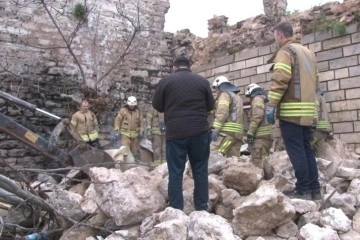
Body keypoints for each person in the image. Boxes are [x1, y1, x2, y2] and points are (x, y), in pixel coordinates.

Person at [266, 21, 321, 200]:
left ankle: (303, 189)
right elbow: (316, 83)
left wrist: (271, 105)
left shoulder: (286, 51)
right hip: (308, 112)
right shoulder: (309, 53)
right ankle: (314, 189)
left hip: (292, 112)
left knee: (296, 150)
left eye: (275, 37)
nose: (276, 40)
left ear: (280, 35)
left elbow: (280, 79)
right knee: (307, 150)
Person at [152, 56, 215, 211]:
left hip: (176, 133)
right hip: (199, 131)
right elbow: (210, 105)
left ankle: (176, 209)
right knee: (200, 169)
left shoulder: (166, 82)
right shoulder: (202, 81)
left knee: (175, 172)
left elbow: (157, 105)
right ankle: (201, 207)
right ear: (189, 66)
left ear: (174, 67)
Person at [211, 76, 244, 157]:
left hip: (226, 133)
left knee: (213, 154)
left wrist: (215, 130)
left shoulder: (224, 95)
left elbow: (222, 112)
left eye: (216, 89)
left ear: (220, 87)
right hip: (238, 135)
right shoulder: (237, 97)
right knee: (233, 160)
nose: (216, 91)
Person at [244, 83, 273, 170]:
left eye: (250, 96)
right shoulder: (263, 100)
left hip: (260, 138)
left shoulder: (257, 99)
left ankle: (262, 183)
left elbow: (258, 115)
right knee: (264, 162)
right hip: (265, 137)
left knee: (258, 165)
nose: (250, 98)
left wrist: (251, 131)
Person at [313, 88, 333, 158]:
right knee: (321, 150)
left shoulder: (315, 95)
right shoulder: (321, 96)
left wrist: (312, 124)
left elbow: (314, 111)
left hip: (317, 128)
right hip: (323, 128)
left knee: (306, 147)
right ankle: (327, 166)